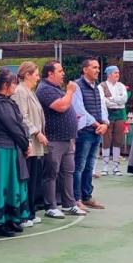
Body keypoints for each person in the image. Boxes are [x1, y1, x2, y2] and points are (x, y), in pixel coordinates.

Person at [0, 68, 32, 237]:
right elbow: (13, 127)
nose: (15, 87)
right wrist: (26, 144)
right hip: (1, 150)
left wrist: (25, 143)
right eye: (13, 84)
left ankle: (11, 218)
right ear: (5, 85)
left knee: (11, 183)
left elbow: (19, 126)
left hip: (10, 148)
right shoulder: (0, 104)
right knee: (1, 184)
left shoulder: (6, 102)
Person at [36, 61, 85, 218]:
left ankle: (69, 203)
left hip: (67, 138)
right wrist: (70, 92)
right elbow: (61, 106)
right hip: (54, 138)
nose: (63, 74)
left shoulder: (56, 89)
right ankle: (50, 205)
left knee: (67, 172)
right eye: (60, 71)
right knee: (51, 173)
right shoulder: (44, 89)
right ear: (50, 73)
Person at [11, 61, 46, 226]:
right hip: (28, 142)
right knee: (27, 179)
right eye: (36, 74)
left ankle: (30, 212)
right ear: (27, 75)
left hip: (35, 143)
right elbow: (22, 116)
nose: (38, 78)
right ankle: (25, 213)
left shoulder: (29, 91)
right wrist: (36, 132)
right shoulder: (20, 92)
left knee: (34, 179)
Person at [72, 58, 109, 210]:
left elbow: (103, 107)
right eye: (94, 67)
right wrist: (97, 124)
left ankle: (87, 196)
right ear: (85, 69)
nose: (97, 70)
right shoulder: (76, 86)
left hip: (97, 131)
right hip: (84, 131)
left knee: (90, 165)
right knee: (79, 166)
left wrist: (105, 124)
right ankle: (76, 198)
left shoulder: (98, 88)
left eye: (98, 67)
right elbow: (79, 109)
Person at [99, 65, 129, 176]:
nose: (117, 75)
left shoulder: (121, 86)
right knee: (106, 140)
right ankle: (105, 166)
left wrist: (112, 99)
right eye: (115, 73)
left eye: (118, 73)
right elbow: (103, 101)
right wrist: (116, 101)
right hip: (107, 115)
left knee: (118, 140)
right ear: (109, 74)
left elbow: (124, 100)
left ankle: (116, 167)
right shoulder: (101, 86)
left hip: (120, 115)